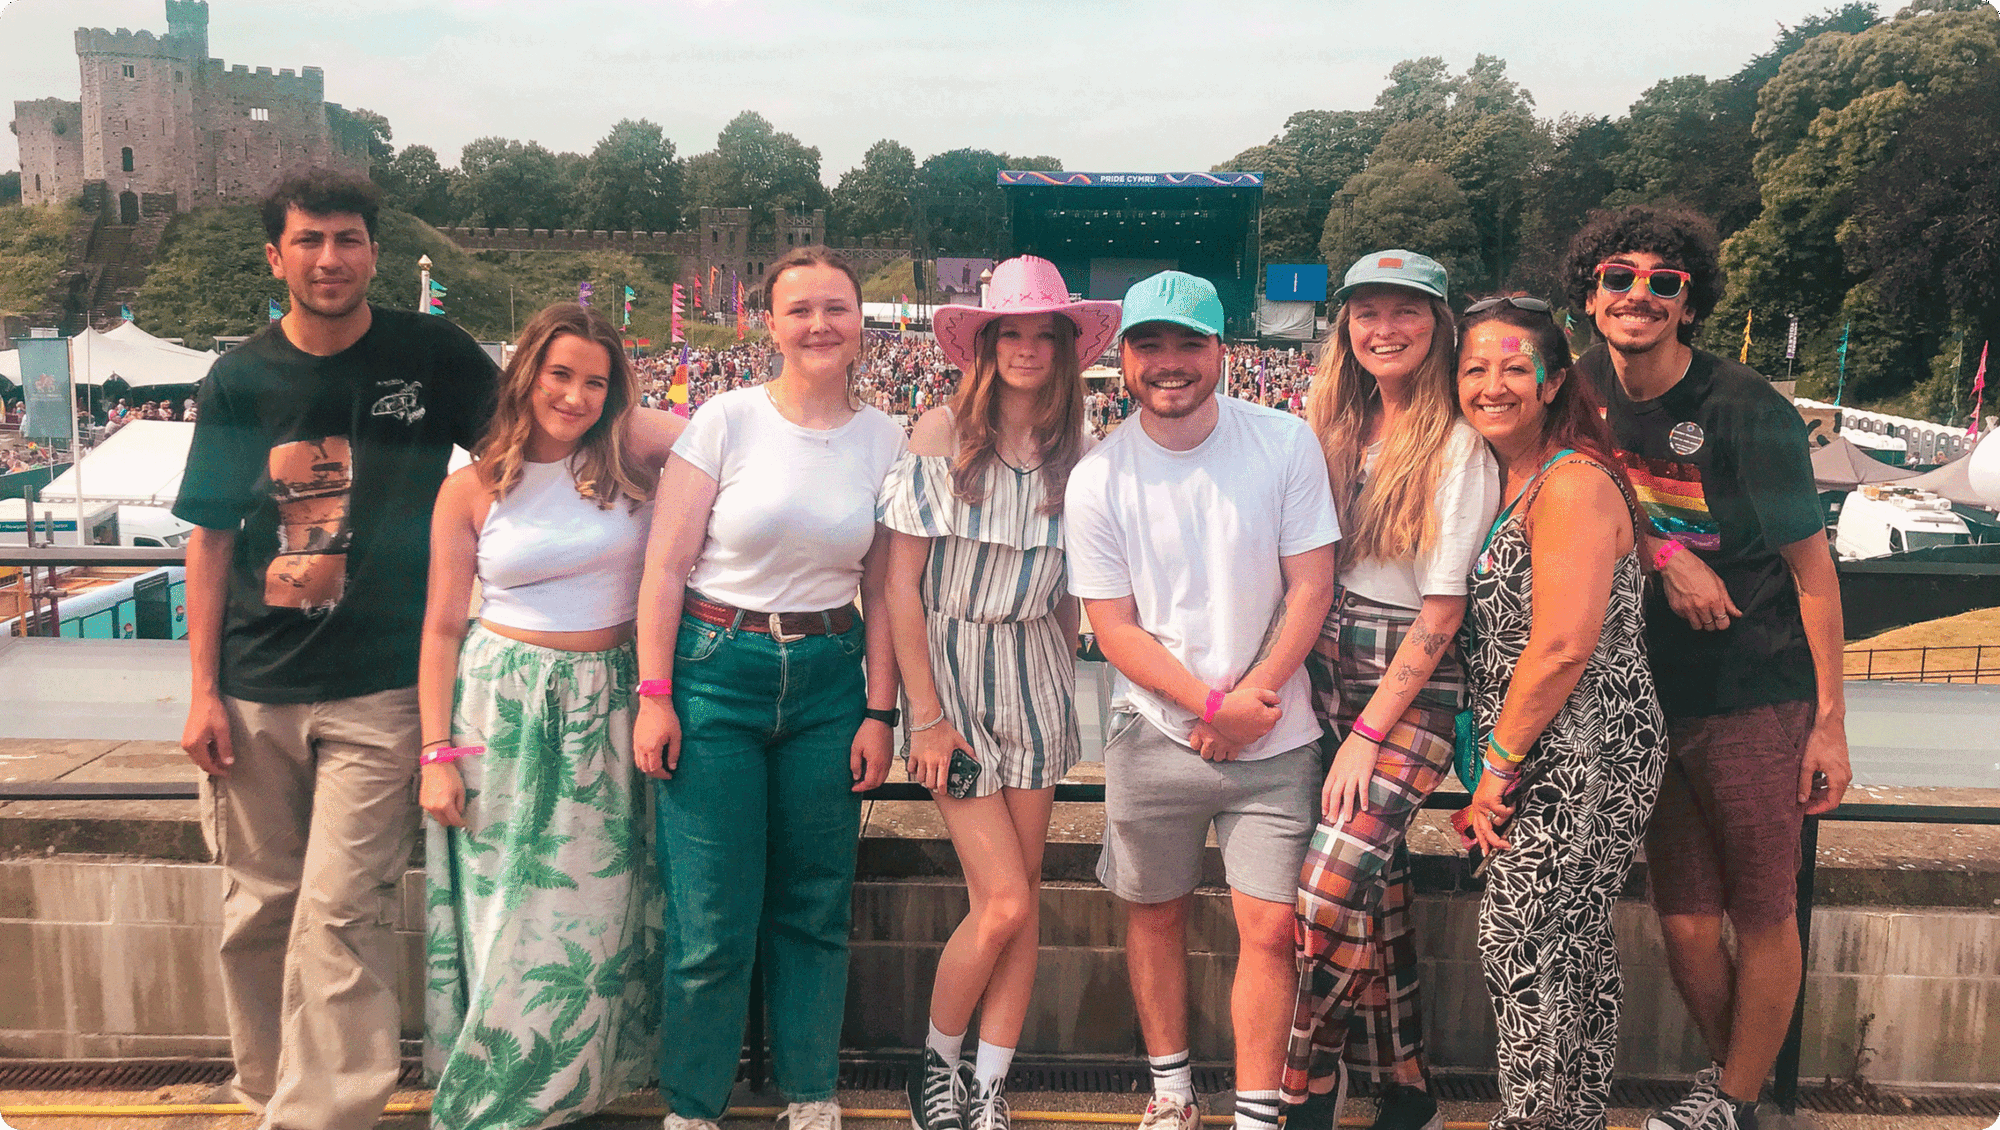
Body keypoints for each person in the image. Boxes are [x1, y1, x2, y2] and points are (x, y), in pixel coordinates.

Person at [172, 167, 499, 1130]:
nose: (329, 258)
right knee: (260, 912)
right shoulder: (239, 378)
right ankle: (272, 1095)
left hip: (382, 688)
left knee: (341, 914)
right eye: (308, 241)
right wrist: (199, 691)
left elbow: (529, 450)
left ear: (372, 250)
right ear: (276, 256)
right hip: (255, 689)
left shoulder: (432, 353)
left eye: (347, 238)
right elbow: (211, 538)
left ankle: (325, 1115)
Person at [1563, 206, 1851, 1130]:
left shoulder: (1745, 410)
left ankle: (1729, 1098)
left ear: (1690, 303)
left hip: (1751, 694)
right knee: (1684, 919)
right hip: (1644, 700)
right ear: (1591, 293)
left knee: (1764, 908)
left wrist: (1831, 722)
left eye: (1663, 281)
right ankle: (1742, 1094)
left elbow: (1813, 574)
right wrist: (1661, 550)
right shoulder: (1575, 392)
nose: (1638, 294)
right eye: (1619, 277)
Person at [633, 246, 905, 1130]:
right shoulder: (726, 419)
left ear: (862, 322)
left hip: (830, 675)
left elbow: (887, 588)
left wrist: (880, 709)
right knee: (711, 912)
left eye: (836, 307)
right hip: (718, 669)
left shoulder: (884, 437)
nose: (819, 325)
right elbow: (666, 567)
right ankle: (693, 1103)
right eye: (800, 310)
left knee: (817, 902)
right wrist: (655, 692)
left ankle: (811, 1092)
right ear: (771, 324)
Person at [1065, 272, 1340, 1130]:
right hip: (1154, 728)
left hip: (1276, 730)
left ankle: (1257, 1110)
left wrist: (1246, 699)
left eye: (1190, 343)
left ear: (1224, 351)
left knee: (1269, 932)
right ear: (1125, 357)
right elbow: (1112, 627)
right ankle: (1172, 1092)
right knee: (1154, 920)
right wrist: (1208, 707)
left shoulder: (1284, 443)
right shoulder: (1100, 476)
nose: (1171, 363)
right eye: (1152, 345)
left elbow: (1311, 586)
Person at [417, 303, 683, 1130]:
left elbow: (719, 437)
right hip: (502, 709)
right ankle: (498, 1096)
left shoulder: (634, 476)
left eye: (595, 382)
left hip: (611, 702)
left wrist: (623, 410)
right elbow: (441, 627)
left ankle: (573, 1089)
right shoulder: (469, 490)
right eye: (559, 374)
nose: (573, 396)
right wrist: (435, 752)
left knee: (597, 916)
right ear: (525, 374)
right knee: (510, 911)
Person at [880, 256, 1120, 1130]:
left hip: (1036, 677)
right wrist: (927, 718)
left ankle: (989, 1084)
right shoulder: (942, 435)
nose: (1026, 348)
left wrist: (1062, 694)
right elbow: (900, 587)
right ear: (983, 344)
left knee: (1023, 900)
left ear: (1065, 348)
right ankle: (934, 1067)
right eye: (1008, 332)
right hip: (955, 675)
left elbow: (1063, 597)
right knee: (1006, 900)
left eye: (1042, 334)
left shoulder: (1075, 454)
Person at [1283, 252, 1498, 1130]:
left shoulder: (1456, 442)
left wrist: (1370, 732)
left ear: (1439, 325)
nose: (1384, 328)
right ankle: (1406, 1083)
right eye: (1366, 311)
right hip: (1325, 657)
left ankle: (1303, 1084)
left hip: (1406, 679)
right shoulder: (1332, 423)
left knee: (1330, 889)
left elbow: (1442, 616)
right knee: (1378, 883)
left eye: (1406, 311)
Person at [1453, 296, 1667, 1130]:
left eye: (1514, 367)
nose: (1493, 384)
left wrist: (1496, 768)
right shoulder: (1509, 476)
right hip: (1545, 740)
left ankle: (1534, 1119)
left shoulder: (1572, 483)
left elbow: (1562, 647)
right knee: (1570, 940)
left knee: (1523, 940)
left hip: (1580, 747)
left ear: (1551, 382)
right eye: (1475, 368)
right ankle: (1566, 1118)